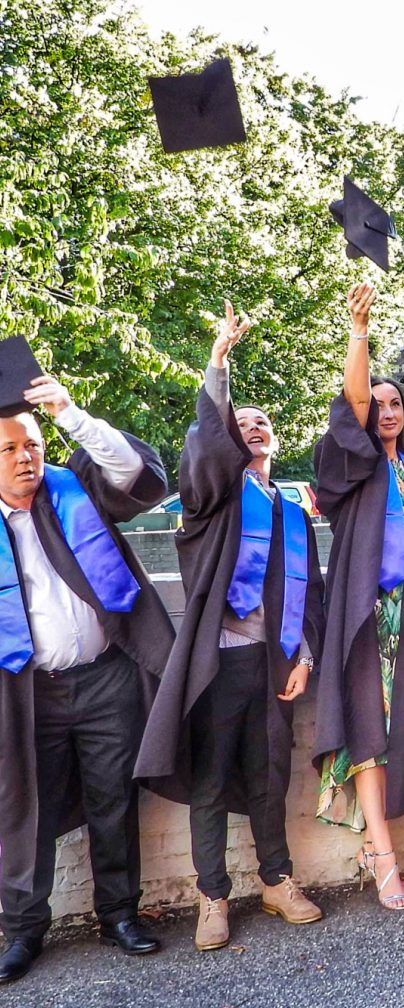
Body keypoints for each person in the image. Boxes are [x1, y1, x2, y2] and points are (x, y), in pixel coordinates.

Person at [135, 303, 327, 950]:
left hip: (273, 663)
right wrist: (219, 363)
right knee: (212, 782)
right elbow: (205, 453)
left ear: (275, 440)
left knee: (271, 776)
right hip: (218, 662)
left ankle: (276, 880)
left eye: (262, 422)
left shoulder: (293, 512)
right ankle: (212, 895)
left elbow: (310, 594)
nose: (253, 428)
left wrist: (306, 657)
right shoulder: (212, 501)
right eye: (240, 424)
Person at [0, 373, 173, 983]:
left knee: (112, 800)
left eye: (32, 445)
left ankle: (119, 914)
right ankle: (23, 930)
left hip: (105, 679)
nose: (25, 457)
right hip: (25, 691)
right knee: (25, 808)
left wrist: (69, 413)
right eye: (9, 449)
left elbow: (137, 475)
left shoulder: (73, 491)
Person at [312, 284, 404, 909]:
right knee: (369, 726)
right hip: (365, 613)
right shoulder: (355, 467)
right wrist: (359, 330)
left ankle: (375, 842)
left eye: (396, 404)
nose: (386, 411)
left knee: (394, 732)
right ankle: (383, 854)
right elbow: (353, 400)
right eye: (378, 404)